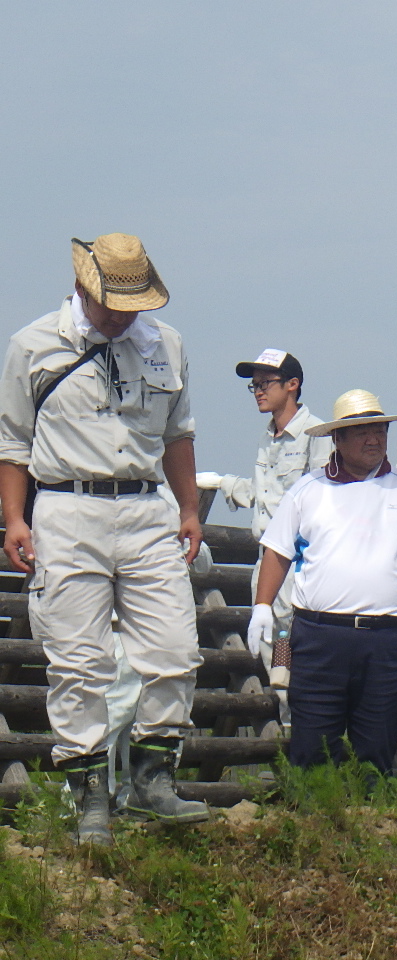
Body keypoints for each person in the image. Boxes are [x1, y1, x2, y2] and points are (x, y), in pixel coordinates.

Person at [0, 234, 207, 844]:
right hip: (66, 507)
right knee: (77, 661)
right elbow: (12, 443)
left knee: (174, 648)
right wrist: (15, 519)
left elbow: (179, 434)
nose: (124, 313)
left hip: (146, 509)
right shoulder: (34, 345)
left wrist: (190, 508)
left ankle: (153, 777)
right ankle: (89, 792)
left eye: (134, 302)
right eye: (115, 301)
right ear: (86, 290)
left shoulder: (166, 345)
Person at [252, 390, 397, 772]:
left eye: (379, 430)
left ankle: (373, 821)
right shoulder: (308, 491)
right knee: (312, 743)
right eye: (361, 431)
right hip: (318, 636)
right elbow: (277, 552)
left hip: (387, 638)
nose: (373, 439)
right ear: (338, 439)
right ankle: (315, 821)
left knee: (377, 744)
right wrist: (262, 607)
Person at [196, 349, 331, 691]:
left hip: (302, 562)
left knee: (303, 645)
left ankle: (307, 727)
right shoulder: (267, 437)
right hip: (267, 561)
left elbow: (324, 499)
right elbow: (262, 493)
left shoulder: (318, 435)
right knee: (276, 645)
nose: (258, 390)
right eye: (254, 385)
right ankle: (291, 724)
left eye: (266, 383)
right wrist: (221, 483)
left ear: (293, 385)